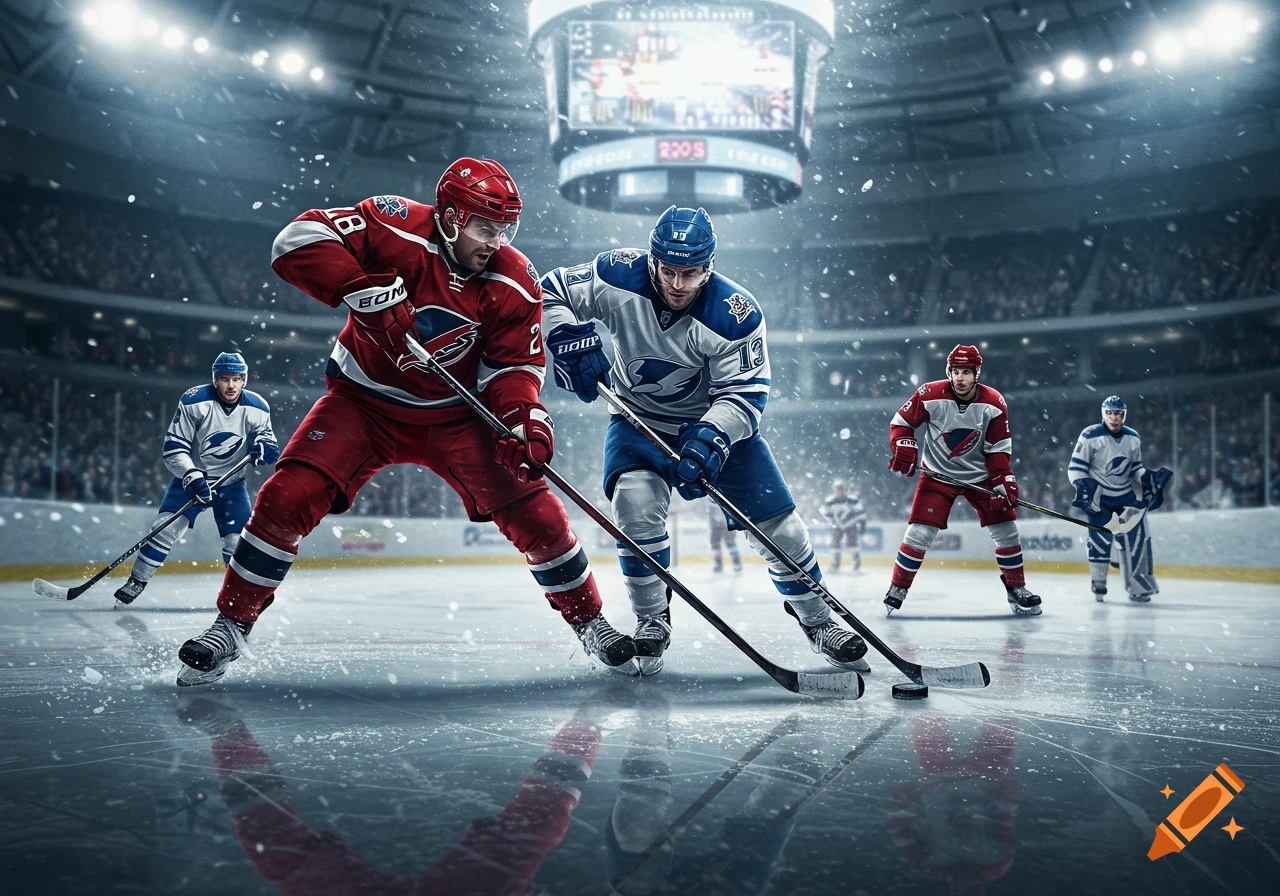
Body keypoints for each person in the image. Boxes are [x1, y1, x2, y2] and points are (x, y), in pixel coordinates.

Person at [174, 158, 635, 687]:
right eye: (488, 227)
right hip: (364, 403)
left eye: (508, 228)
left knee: (541, 517)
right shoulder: (391, 223)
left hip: (458, 417)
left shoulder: (515, 280)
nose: (499, 240)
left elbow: (513, 368)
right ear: (452, 217)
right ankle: (229, 625)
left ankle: (592, 623)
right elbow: (294, 239)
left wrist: (524, 420)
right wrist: (359, 288)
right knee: (287, 495)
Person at [540, 205, 868, 676]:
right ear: (651, 261)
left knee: (784, 528)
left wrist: (713, 436)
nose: (677, 284)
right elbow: (549, 290)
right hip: (637, 421)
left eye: (690, 273)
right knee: (633, 504)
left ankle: (818, 621)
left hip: (713, 430)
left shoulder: (737, 313)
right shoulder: (615, 273)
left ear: (709, 266)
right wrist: (567, 336)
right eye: (668, 271)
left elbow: (747, 392)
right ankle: (653, 618)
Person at [883, 344, 1042, 616]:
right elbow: (901, 422)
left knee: (1006, 530)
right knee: (919, 533)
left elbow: (997, 450)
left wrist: (1003, 477)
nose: (960, 378)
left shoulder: (993, 402)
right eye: (955, 371)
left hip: (980, 477)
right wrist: (904, 443)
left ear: (976, 373)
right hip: (937, 475)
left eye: (966, 372)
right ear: (949, 371)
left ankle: (1016, 587)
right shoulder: (928, 393)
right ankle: (898, 587)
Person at [114, 352, 277, 606]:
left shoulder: (258, 407)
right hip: (192, 481)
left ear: (244, 380)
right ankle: (137, 580)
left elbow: (268, 442)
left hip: (231, 485)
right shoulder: (194, 401)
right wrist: (191, 475)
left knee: (237, 542)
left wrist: (265, 448)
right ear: (215, 379)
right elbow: (173, 448)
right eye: (224, 379)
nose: (231, 385)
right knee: (164, 529)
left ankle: (243, 593)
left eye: (236, 379)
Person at [1067, 395, 1171, 602]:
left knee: (1139, 538)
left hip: (1125, 498)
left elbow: (1135, 469)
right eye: (1110, 413)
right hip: (1099, 499)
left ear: (1124, 415)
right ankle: (1098, 582)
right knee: (1099, 540)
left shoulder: (1133, 437)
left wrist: (1148, 478)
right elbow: (1076, 468)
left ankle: (1139, 584)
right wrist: (1082, 485)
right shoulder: (1089, 435)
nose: (1114, 418)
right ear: (1103, 414)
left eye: (1118, 413)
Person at [819, 479, 867, 573]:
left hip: (851, 525)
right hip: (837, 525)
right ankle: (835, 565)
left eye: (842, 489)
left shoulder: (853, 500)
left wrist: (862, 525)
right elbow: (825, 512)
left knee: (853, 543)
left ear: (845, 490)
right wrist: (831, 520)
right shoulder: (830, 501)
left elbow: (861, 514)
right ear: (835, 490)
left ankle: (856, 565)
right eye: (838, 490)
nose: (840, 492)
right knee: (835, 544)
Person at [707, 497, 742, 574]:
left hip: (727, 524)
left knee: (730, 543)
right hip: (716, 525)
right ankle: (719, 564)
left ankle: (736, 563)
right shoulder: (710, 500)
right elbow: (711, 513)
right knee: (715, 544)